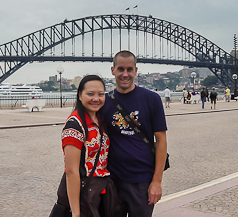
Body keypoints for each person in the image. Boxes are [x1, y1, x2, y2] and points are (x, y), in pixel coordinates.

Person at [102, 50, 167, 217]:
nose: (125, 74)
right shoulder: (104, 102)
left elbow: (161, 141)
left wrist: (156, 182)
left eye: (129, 69)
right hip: (112, 180)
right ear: (112, 70)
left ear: (136, 71)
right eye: (121, 69)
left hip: (142, 181)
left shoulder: (152, 99)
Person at [59, 75, 116, 217]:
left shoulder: (99, 120)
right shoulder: (74, 125)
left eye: (101, 94)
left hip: (99, 192)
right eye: (90, 94)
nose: (96, 98)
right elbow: (71, 171)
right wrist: (76, 213)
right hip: (84, 194)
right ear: (80, 95)